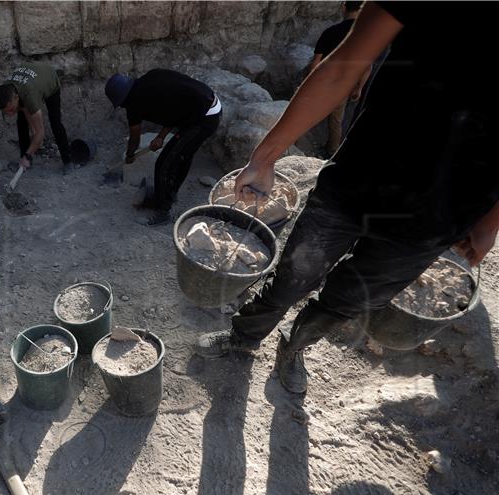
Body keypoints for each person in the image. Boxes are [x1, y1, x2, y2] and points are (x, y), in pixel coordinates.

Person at [195, 2, 499, 395]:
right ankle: (244, 336)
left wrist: (489, 223)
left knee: (346, 301)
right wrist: (265, 157)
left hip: (438, 216)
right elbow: (343, 66)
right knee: (294, 274)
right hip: (358, 179)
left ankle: (295, 346)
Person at [104, 69, 222, 225]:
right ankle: (169, 194)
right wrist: (161, 136)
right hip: (209, 105)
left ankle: (163, 212)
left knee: (164, 163)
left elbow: (134, 138)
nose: (123, 107)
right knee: (182, 156)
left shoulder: (134, 104)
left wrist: (130, 154)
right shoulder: (151, 78)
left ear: (123, 99)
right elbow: (175, 108)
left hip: (203, 117)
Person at [308, 1, 365, 157]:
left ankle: (303, 143)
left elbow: (315, 63)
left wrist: (309, 84)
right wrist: (359, 87)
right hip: (345, 84)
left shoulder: (330, 32)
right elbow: (367, 67)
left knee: (309, 113)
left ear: (343, 8)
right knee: (336, 121)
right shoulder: (363, 35)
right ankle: (331, 151)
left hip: (325, 81)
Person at [0, 62, 72, 174]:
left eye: (11, 110)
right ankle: (23, 161)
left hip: (49, 79)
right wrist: (33, 135)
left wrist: (29, 153)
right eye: (6, 113)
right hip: (31, 79)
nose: (10, 114)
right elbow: (25, 111)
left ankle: (68, 160)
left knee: (55, 122)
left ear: (16, 98)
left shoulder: (29, 95)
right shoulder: (6, 89)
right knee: (21, 123)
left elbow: (40, 133)